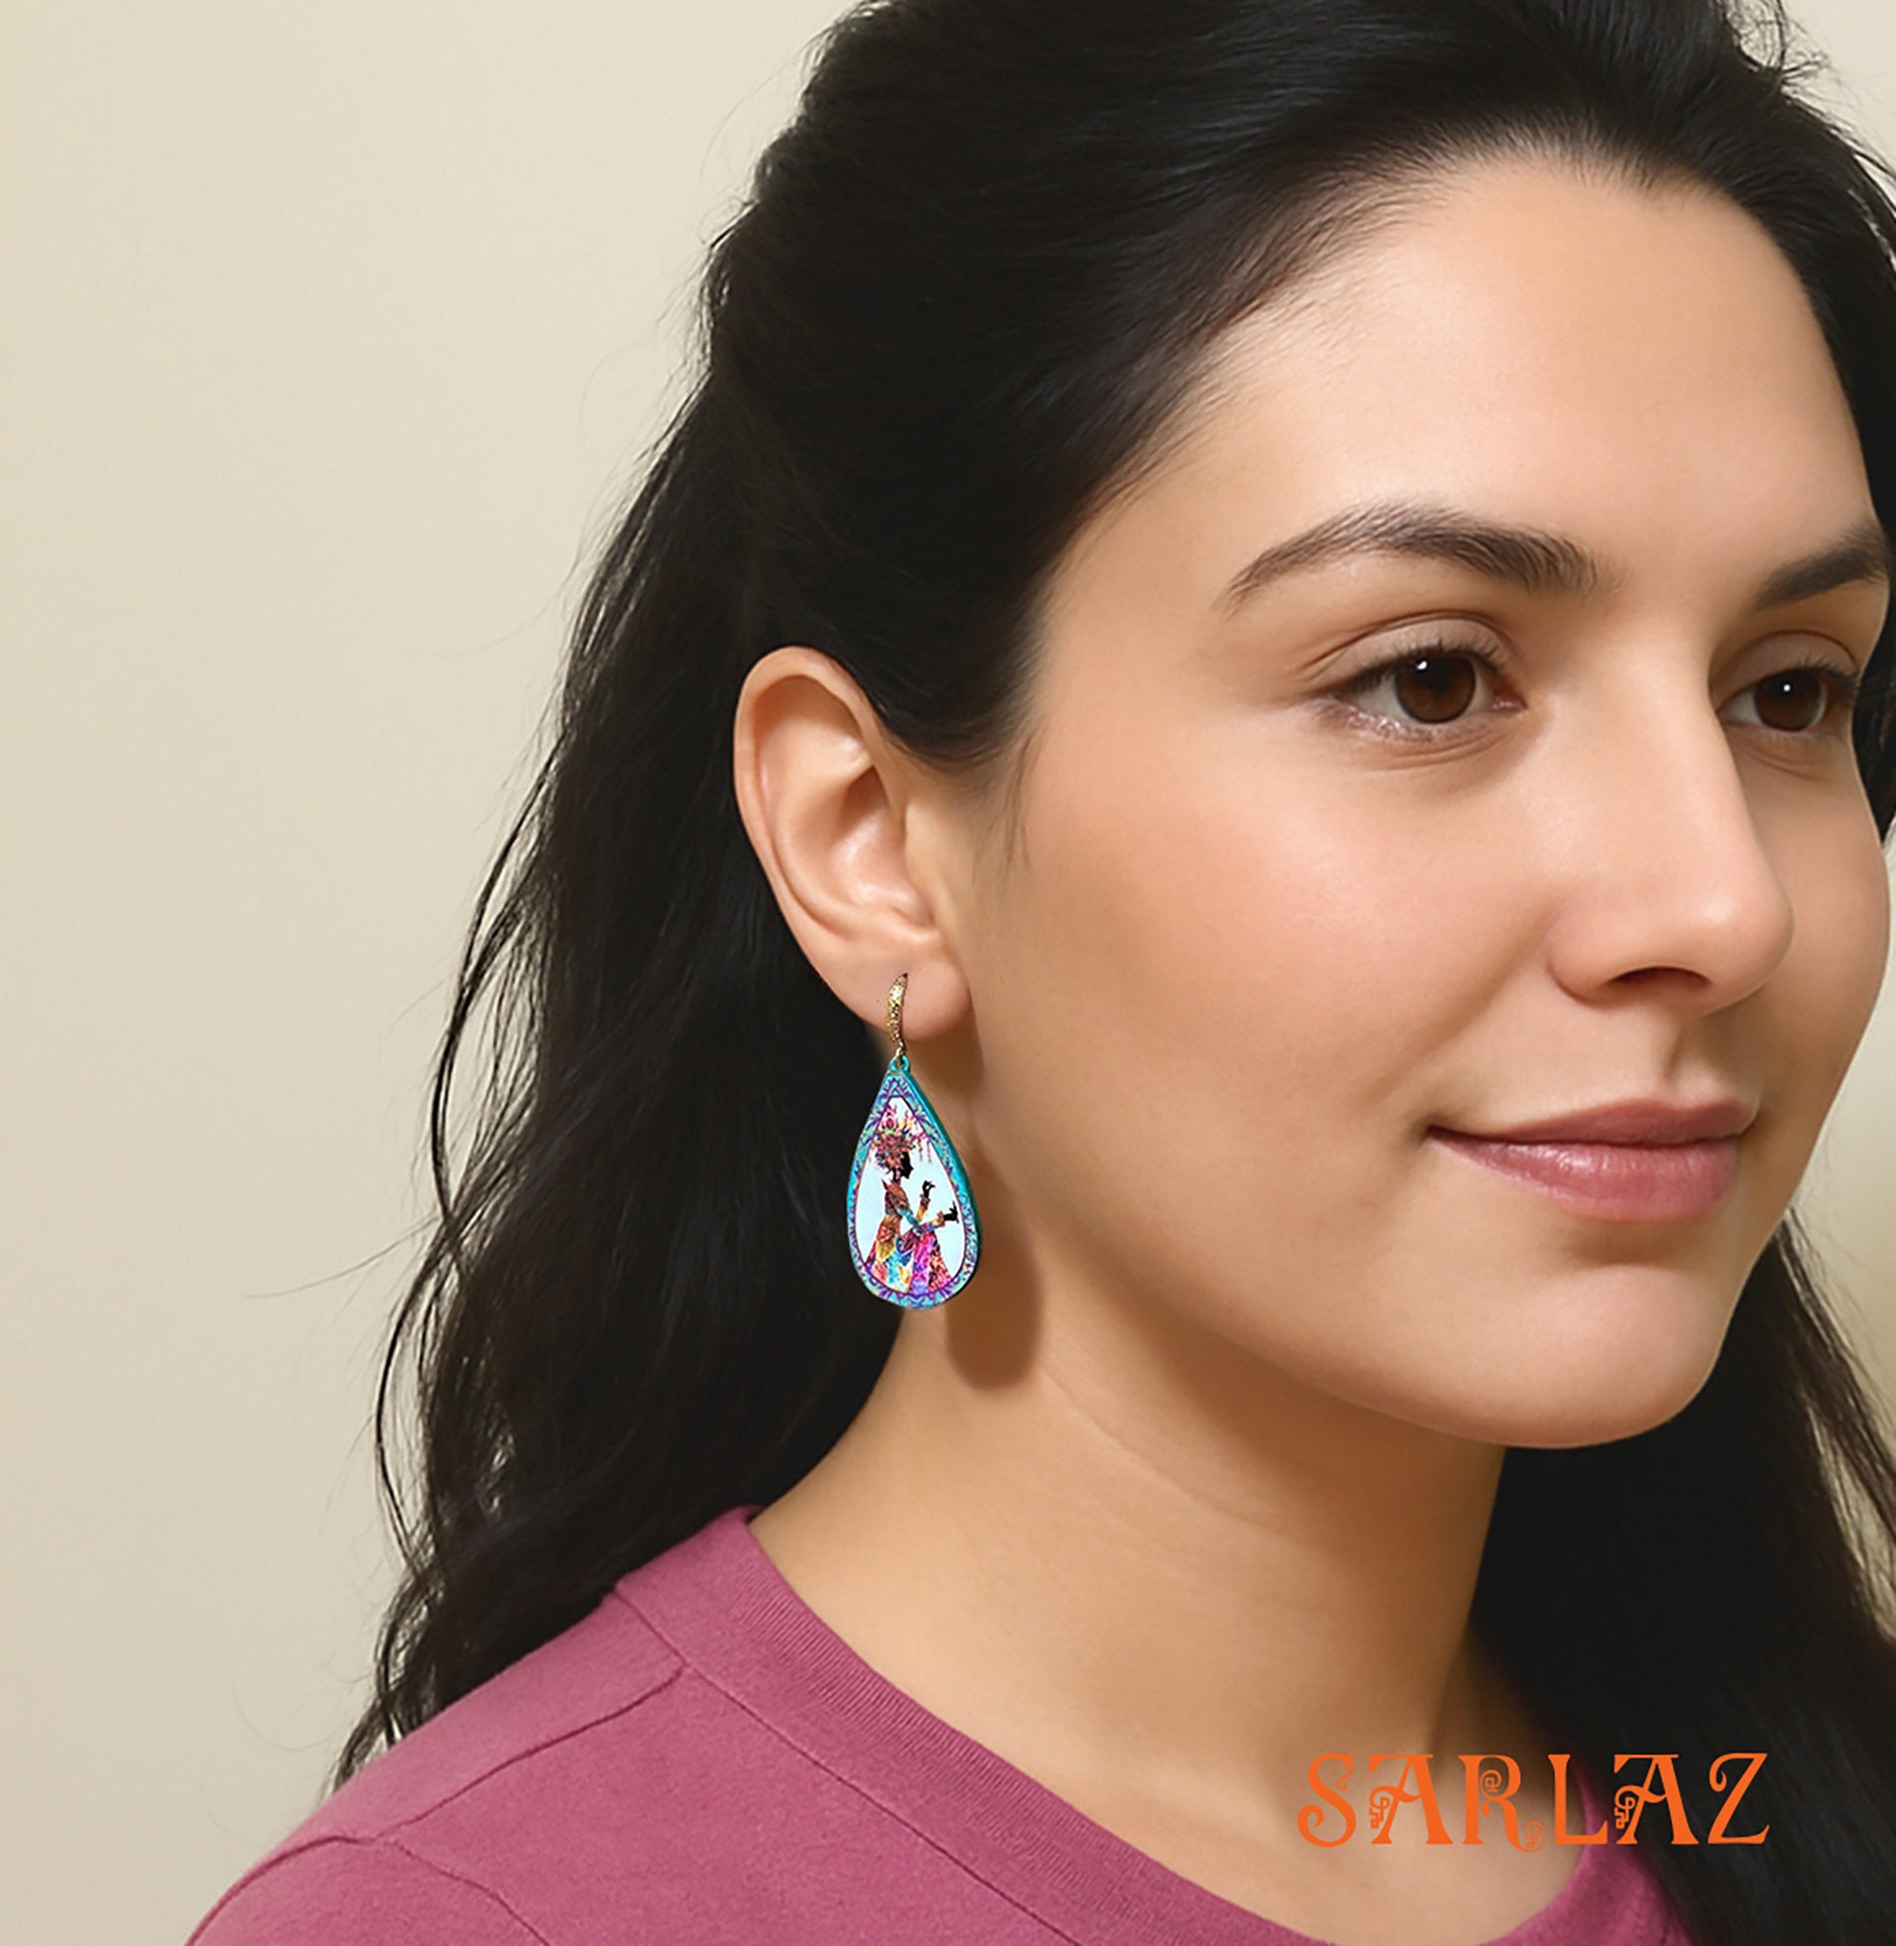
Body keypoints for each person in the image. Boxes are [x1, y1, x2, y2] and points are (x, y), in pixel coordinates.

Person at [184, 1, 1896, 1941]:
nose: (1722, 901)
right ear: (868, 840)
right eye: (1429, 677)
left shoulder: (1787, 1802)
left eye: (1788, 691)